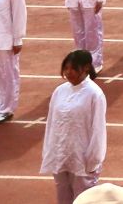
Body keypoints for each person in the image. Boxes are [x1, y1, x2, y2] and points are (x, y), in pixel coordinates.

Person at [43, 47, 106, 203]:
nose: (68, 72)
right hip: (61, 154)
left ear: (86, 68)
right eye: (66, 68)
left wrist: (93, 159)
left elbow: (98, 129)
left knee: (83, 198)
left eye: (73, 68)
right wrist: (50, 150)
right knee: (63, 196)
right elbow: (51, 123)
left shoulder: (94, 94)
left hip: (82, 157)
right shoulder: (60, 91)